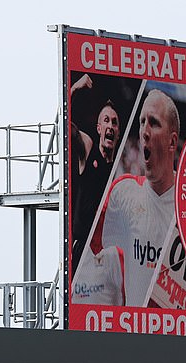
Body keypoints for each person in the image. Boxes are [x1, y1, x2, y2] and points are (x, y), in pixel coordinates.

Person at [72, 89, 179, 307]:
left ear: (172, 141)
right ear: (99, 128)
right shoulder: (122, 189)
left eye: (154, 123)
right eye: (141, 123)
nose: (144, 131)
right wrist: (71, 92)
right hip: (82, 259)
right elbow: (69, 130)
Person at [70, 74, 122, 273]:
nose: (110, 126)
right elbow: (65, 129)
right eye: (106, 121)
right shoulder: (88, 147)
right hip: (82, 254)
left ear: (118, 131)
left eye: (115, 123)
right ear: (99, 128)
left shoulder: (120, 171)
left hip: (106, 257)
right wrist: (74, 89)